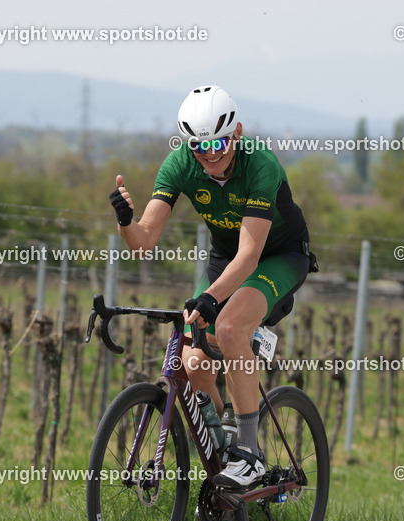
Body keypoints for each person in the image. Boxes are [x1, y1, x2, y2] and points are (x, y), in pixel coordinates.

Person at [108, 84, 317, 489]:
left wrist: (210, 298)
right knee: (194, 363)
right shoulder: (180, 164)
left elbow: (250, 255)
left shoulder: (261, 164)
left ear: (236, 132)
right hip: (225, 258)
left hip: (278, 256)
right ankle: (224, 455)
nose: (210, 153)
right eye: (198, 145)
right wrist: (125, 222)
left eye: (219, 142)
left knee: (228, 326)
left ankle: (251, 453)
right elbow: (144, 242)